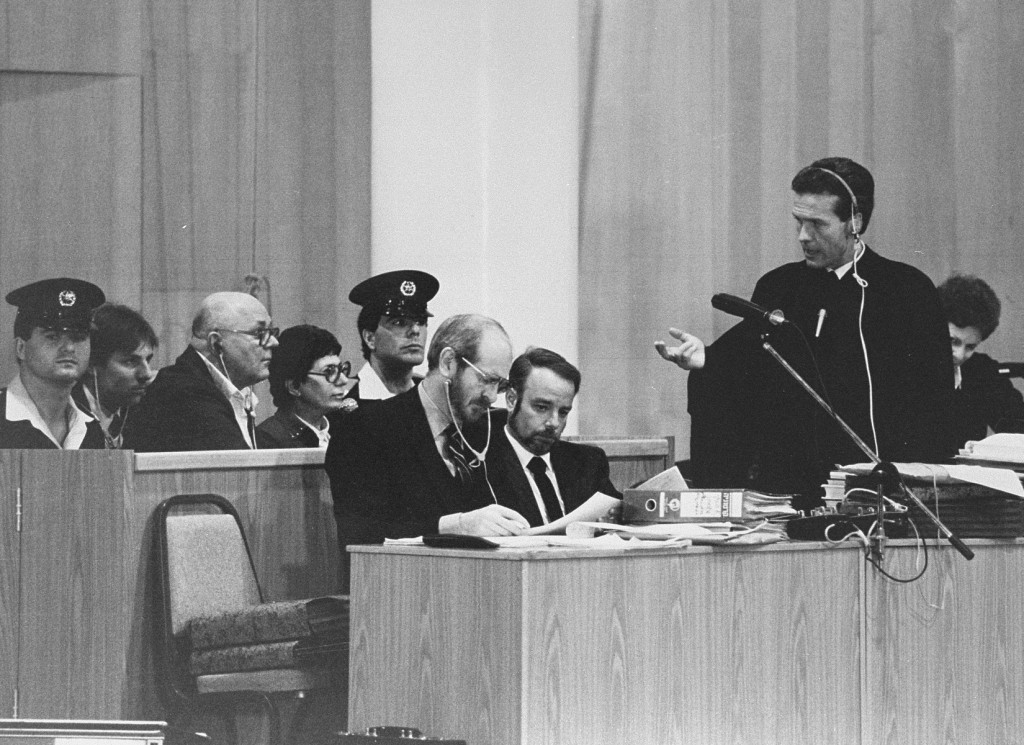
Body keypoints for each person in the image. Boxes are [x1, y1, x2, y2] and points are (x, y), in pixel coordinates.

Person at [656, 157, 953, 510]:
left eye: (816, 224)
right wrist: (708, 360)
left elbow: (932, 400)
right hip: (785, 492)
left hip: (879, 495)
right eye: (798, 221)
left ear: (854, 222)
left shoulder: (906, 290)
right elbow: (748, 370)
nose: (803, 236)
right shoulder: (779, 286)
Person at [326, 313, 529, 587]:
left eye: (500, 386)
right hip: (402, 592)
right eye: (485, 380)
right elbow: (362, 532)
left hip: (482, 588)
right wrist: (455, 525)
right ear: (448, 363)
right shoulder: (367, 428)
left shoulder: (487, 430)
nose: (491, 396)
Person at [123, 291, 279, 451]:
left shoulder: (210, 388)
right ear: (216, 343)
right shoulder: (183, 393)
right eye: (260, 333)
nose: (273, 342)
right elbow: (239, 472)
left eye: (271, 332)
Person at [486, 348, 621, 527]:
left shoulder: (587, 463)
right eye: (542, 407)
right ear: (511, 399)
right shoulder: (482, 464)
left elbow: (627, 516)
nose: (554, 423)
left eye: (563, 412)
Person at [0, 278, 106, 449]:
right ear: (21, 348)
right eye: (53, 337)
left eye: (78, 337)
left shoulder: (91, 427)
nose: (69, 347)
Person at [937, 274, 1024, 446]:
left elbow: (1018, 426)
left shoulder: (982, 371)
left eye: (970, 347)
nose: (960, 355)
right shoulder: (910, 368)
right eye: (953, 341)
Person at [344, 269, 439, 405]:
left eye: (421, 321)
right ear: (370, 338)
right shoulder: (346, 401)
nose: (415, 330)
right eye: (399, 322)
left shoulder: (432, 399)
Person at [71, 303, 158, 449]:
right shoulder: (66, 415)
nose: (147, 374)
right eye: (131, 361)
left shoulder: (147, 412)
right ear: (91, 363)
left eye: (148, 360)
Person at [257, 324, 353, 448]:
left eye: (341, 369)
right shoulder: (268, 440)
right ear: (294, 387)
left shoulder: (343, 431)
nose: (343, 380)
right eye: (329, 372)